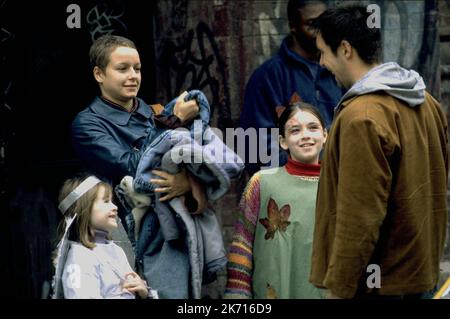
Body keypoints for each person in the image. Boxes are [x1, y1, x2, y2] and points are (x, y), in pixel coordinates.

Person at [310, 6, 448, 299]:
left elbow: (359, 216)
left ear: (345, 49)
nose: (321, 63)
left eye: (323, 52)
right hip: (420, 276)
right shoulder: (427, 101)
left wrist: (340, 289)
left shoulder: (361, 117)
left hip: (380, 286)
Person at [225, 102, 327, 299]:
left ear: (325, 135)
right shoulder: (262, 183)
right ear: (283, 141)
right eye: (295, 130)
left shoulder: (341, 187)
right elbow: (242, 245)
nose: (305, 135)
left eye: (313, 128)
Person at [239, 0, 342, 176]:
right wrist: (307, 170)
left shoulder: (340, 73)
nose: (320, 30)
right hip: (289, 192)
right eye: (312, 24)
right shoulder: (268, 77)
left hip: (337, 189)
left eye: (324, 23)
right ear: (293, 25)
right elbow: (255, 148)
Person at [53, 175, 152, 299]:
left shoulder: (117, 250)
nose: (115, 207)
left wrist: (144, 293)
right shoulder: (80, 257)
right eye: (106, 201)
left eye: (112, 201)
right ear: (84, 209)